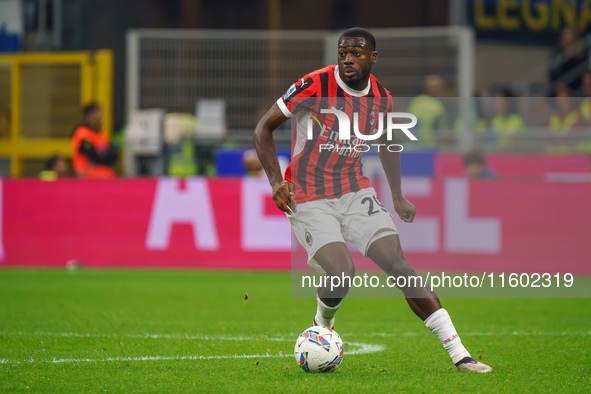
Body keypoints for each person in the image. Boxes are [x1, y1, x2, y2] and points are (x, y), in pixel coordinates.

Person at [253, 27, 492, 373]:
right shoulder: (314, 85)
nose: (348, 59)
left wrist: (396, 195)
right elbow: (263, 128)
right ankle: (323, 323)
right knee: (341, 274)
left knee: (398, 264)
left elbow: (387, 144)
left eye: (356, 53)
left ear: (373, 58)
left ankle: (461, 355)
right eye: (343, 53)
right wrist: (276, 181)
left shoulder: (382, 97)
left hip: (354, 190)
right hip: (308, 194)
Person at [71, 103, 118, 178]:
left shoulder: (102, 135)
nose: (100, 116)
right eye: (97, 113)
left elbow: (110, 154)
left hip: (105, 174)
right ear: (89, 115)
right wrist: (104, 160)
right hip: (86, 174)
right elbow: (89, 151)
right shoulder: (82, 132)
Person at [407, 74, 449, 145]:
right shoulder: (437, 105)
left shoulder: (416, 101)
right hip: (430, 145)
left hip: (413, 145)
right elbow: (439, 129)